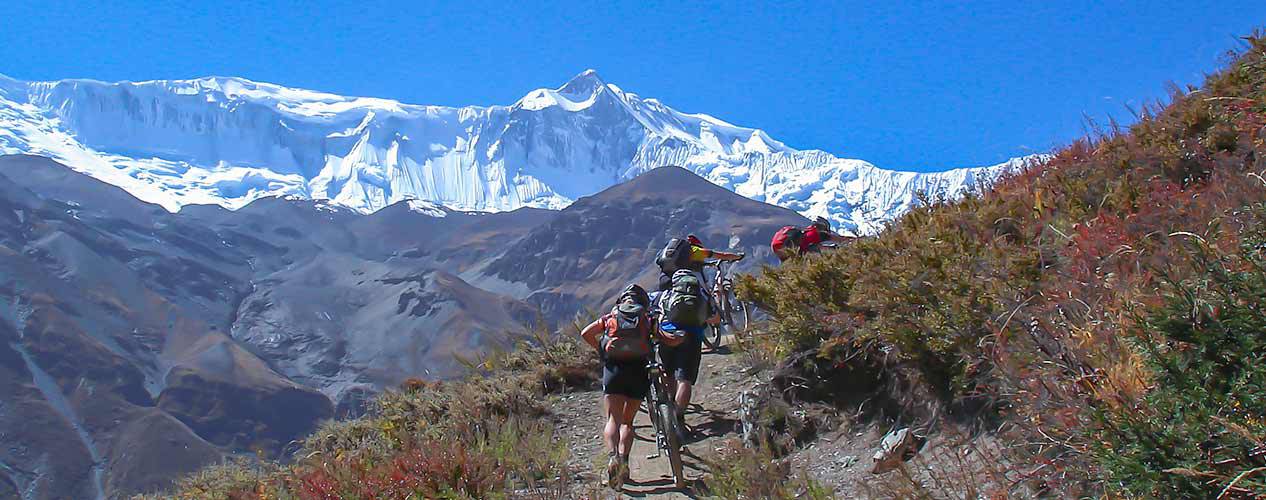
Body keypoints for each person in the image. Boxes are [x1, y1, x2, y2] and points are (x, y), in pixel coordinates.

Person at [653, 233, 743, 432]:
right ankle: (679, 418)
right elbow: (715, 319)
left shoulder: (663, 293)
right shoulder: (697, 287)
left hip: (667, 333)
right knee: (684, 378)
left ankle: (667, 413)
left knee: (668, 373)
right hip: (691, 335)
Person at [580, 284, 654, 489]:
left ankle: (613, 457)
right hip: (638, 370)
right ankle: (625, 463)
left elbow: (586, 333)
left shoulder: (610, 317)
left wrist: (602, 349)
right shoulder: (646, 318)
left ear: (621, 301)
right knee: (628, 423)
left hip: (614, 370)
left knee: (613, 418)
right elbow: (659, 340)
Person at [771, 216, 853, 262]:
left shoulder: (806, 232)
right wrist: (836, 249)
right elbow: (840, 240)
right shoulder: (816, 234)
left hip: (779, 249)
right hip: (791, 250)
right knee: (813, 250)